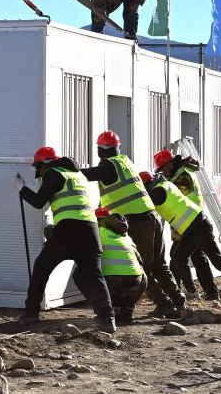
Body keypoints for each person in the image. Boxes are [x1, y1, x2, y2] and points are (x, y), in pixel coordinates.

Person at [76, 131, 185, 318]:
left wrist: (69, 168)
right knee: (159, 265)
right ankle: (179, 302)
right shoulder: (125, 163)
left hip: (137, 221)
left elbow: (88, 174)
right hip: (152, 217)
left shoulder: (108, 167)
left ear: (100, 150)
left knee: (139, 266)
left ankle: (165, 305)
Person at [14, 146, 116, 332]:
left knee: (41, 268)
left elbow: (38, 202)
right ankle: (107, 319)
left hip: (69, 229)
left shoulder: (54, 173)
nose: (38, 173)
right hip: (90, 230)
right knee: (95, 276)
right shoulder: (78, 176)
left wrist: (22, 189)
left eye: (38, 168)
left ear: (44, 164)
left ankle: (30, 315)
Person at [141, 170, 221, 299]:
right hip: (191, 228)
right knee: (179, 256)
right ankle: (192, 291)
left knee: (217, 259)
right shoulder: (165, 185)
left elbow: (144, 202)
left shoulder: (158, 192)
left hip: (198, 226)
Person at [153, 150, 219, 301]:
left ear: (170, 164)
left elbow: (175, 200)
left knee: (177, 257)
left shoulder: (181, 177)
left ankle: (181, 291)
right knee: (197, 257)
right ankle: (209, 291)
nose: (162, 172)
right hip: (189, 222)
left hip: (190, 223)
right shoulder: (180, 173)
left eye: (163, 168)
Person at [96, 207, 146, 326]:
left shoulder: (97, 232)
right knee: (138, 273)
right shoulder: (125, 236)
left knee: (88, 275)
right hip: (137, 283)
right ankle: (126, 311)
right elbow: (140, 261)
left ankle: (110, 311)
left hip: (113, 283)